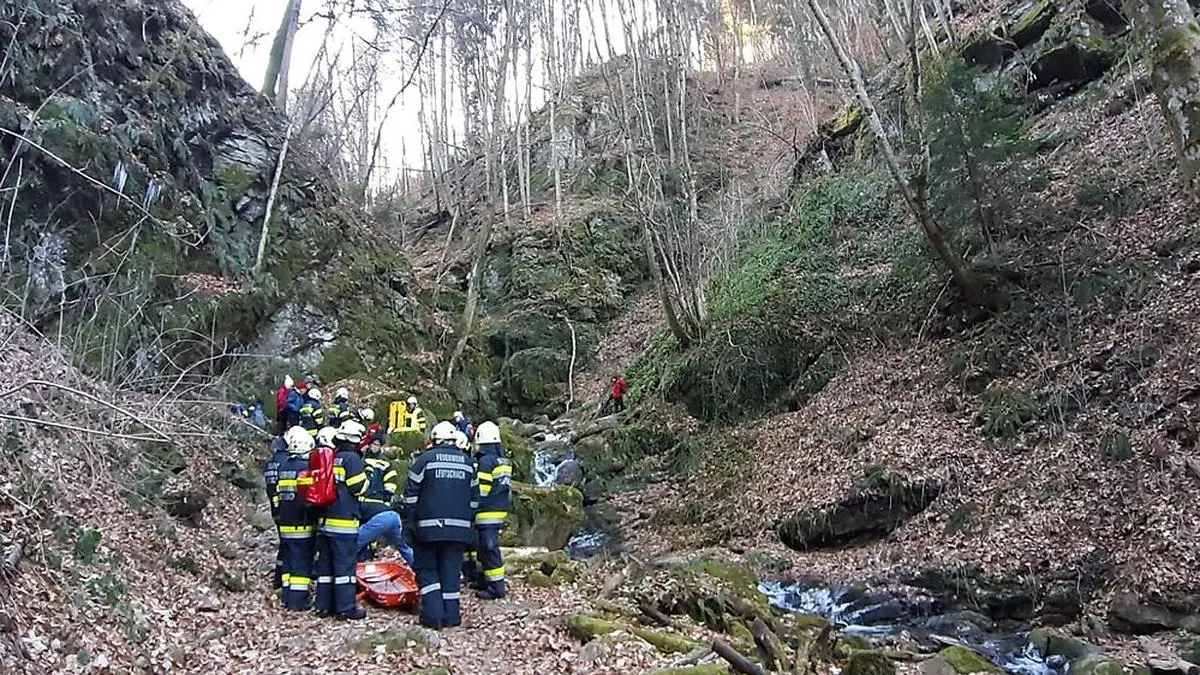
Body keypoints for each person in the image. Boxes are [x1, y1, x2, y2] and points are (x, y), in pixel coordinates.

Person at [401, 421, 478, 629]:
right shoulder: (468, 463)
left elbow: (410, 495)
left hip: (428, 528)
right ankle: (452, 616)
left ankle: (433, 615)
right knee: (451, 571)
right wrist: (469, 521)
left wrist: (410, 520)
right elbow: (474, 499)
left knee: (427, 569)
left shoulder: (424, 460)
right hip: (460, 530)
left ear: (434, 439)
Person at [314, 420, 369, 620]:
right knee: (345, 568)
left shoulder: (332, 457)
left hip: (326, 521)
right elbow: (358, 488)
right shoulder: (351, 459)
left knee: (326, 568)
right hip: (344, 523)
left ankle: (323, 606)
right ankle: (345, 608)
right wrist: (368, 476)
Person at [275, 426, 317, 610]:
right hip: (301, 523)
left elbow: (277, 495)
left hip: (285, 522)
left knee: (289, 561)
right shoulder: (305, 468)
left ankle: (287, 595)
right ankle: (298, 601)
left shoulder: (283, 467)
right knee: (301, 564)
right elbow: (308, 498)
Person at [357, 435, 414, 565]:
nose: (374, 446)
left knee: (355, 543)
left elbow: (390, 485)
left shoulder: (379, 463)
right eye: (372, 444)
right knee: (403, 547)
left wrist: (386, 497)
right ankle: (421, 569)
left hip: (374, 505)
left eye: (377, 444)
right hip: (388, 513)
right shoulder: (365, 460)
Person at [471, 421, 512, 599]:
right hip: (500, 507)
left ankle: (496, 587)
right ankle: (483, 580)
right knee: (482, 546)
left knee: (488, 548)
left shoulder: (486, 461)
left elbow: (483, 490)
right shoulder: (503, 459)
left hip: (486, 511)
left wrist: (471, 505)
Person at [263, 434, 291, 590]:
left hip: (275, 509)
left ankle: (278, 578)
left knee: (284, 543)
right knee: (290, 545)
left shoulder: (269, 464)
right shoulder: (286, 463)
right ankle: (283, 579)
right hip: (287, 508)